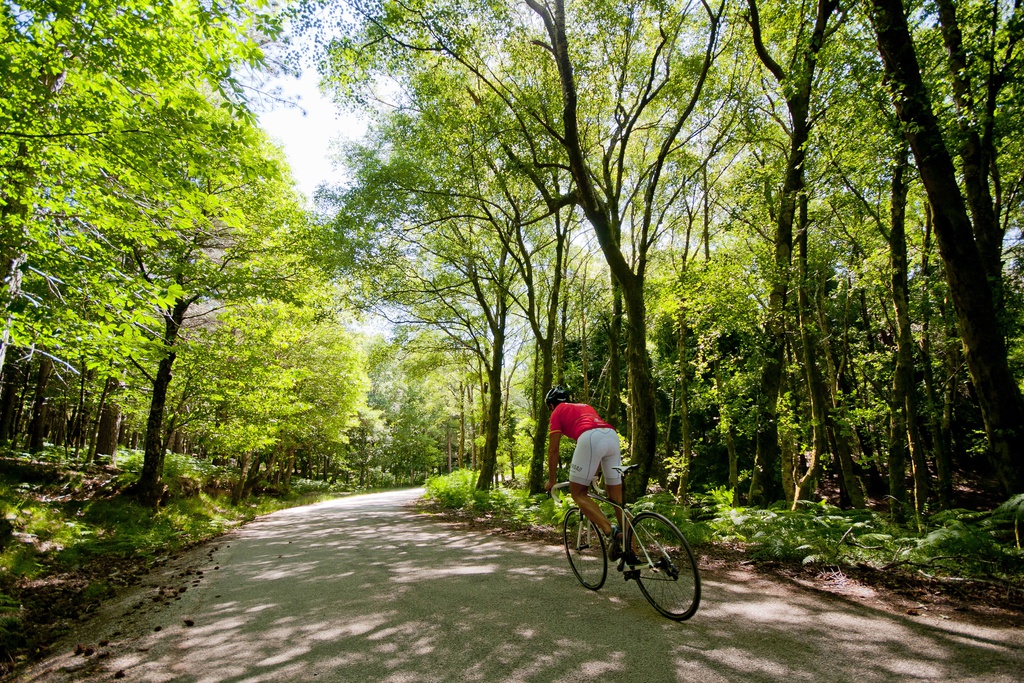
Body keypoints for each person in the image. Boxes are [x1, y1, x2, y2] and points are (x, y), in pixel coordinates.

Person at [543, 385, 625, 558]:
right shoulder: (585, 407)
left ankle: (611, 531)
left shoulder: (557, 412)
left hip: (590, 437)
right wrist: (594, 475)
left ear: (551, 405)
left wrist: (551, 480)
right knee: (617, 500)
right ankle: (633, 554)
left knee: (578, 494)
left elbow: (553, 450)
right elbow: (598, 445)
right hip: (611, 435)